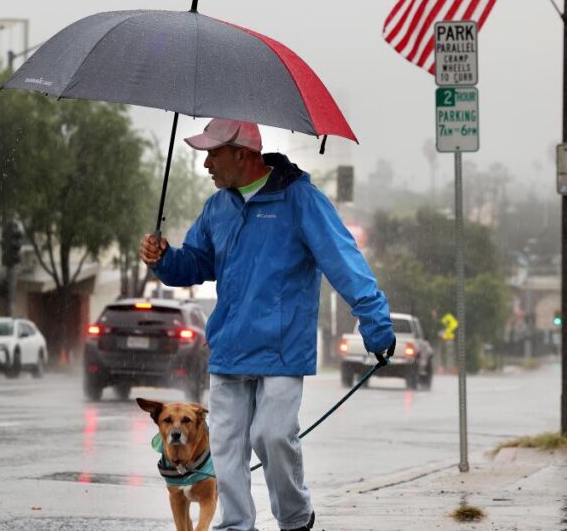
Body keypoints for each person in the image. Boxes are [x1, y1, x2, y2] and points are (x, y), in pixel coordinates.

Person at [139, 118, 395, 531]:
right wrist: (164, 258)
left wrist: (376, 324)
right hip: (229, 348)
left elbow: (344, 262)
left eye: (214, 154)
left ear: (243, 154)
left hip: (282, 350)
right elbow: (197, 263)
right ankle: (237, 525)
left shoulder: (301, 201)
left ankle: (295, 518)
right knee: (225, 447)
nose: (206, 163)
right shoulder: (217, 207)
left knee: (273, 437)